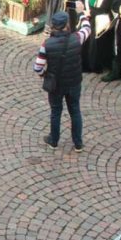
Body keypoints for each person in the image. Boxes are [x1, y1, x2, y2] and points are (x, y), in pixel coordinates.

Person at [34, 8, 91, 151]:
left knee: (56, 112)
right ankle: (78, 143)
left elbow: (38, 67)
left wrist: (44, 74)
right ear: (67, 25)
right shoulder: (77, 38)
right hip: (74, 82)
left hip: (56, 85)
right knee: (75, 111)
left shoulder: (46, 44)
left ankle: (53, 140)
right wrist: (81, 12)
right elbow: (87, 28)